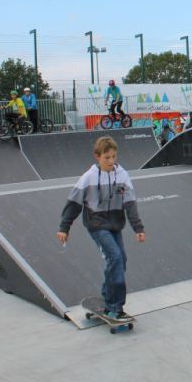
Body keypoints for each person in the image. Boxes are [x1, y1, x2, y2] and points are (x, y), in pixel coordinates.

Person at [56, 136, 146, 320]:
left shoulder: (122, 175)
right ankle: (115, 307)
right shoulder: (88, 177)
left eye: (114, 157)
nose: (111, 162)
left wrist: (138, 228)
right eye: (107, 158)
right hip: (96, 225)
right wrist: (64, 227)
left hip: (115, 224)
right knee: (115, 257)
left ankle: (107, 294)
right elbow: (74, 202)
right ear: (97, 156)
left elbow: (130, 203)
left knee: (121, 260)